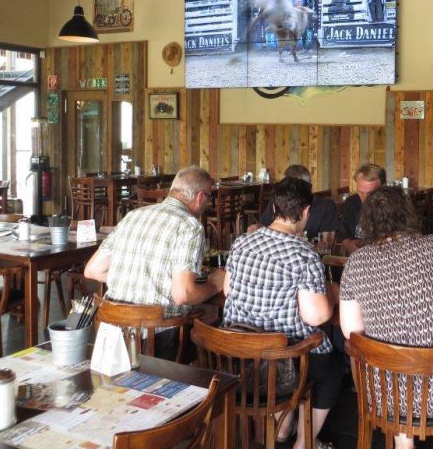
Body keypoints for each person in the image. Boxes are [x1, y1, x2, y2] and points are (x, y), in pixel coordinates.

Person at [339, 186, 433, 449]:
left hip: (385, 391)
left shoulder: (356, 262)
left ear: (368, 221)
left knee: (395, 370)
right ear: (408, 214)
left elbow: (351, 331)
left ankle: (404, 444)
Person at [223, 177, 341, 449]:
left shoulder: (242, 242)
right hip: (284, 359)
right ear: (306, 212)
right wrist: (332, 295)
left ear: (274, 208)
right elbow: (316, 317)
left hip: (239, 353)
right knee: (332, 368)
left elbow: (228, 290)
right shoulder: (304, 254)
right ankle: (305, 442)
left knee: (276, 357)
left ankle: (283, 425)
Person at [84, 166, 225, 360]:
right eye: (209, 197)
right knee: (214, 333)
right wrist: (215, 284)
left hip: (113, 336)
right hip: (157, 340)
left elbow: (93, 270)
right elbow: (183, 294)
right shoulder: (189, 226)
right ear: (200, 197)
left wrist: (137, 276)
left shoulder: (133, 216)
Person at [248, 164, 339, 241]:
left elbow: (327, 244)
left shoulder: (326, 206)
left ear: (309, 187)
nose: (291, 191)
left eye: (296, 188)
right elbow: (264, 225)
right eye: (287, 187)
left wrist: (302, 243)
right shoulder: (279, 201)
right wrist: (257, 227)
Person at [337, 163, 385, 255]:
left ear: (383, 188)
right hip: (357, 257)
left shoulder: (392, 207)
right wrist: (348, 244)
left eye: (370, 193)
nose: (365, 198)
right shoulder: (351, 203)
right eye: (361, 192)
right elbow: (342, 234)